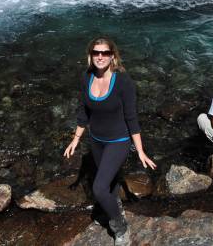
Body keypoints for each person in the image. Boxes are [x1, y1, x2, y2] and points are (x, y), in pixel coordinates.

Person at [64, 37, 156, 246]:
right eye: (96, 52)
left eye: (105, 53)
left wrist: (140, 150)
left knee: (98, 188)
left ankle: (120, 226)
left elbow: (132, 117)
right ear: (90, 55)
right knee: (110, 181)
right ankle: (114, 207)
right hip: (96, 140)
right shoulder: (86, 77)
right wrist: (76, 139)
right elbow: (84, 111)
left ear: (112, 56)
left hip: (119, 140)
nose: (100, 56)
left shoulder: (123, 81)